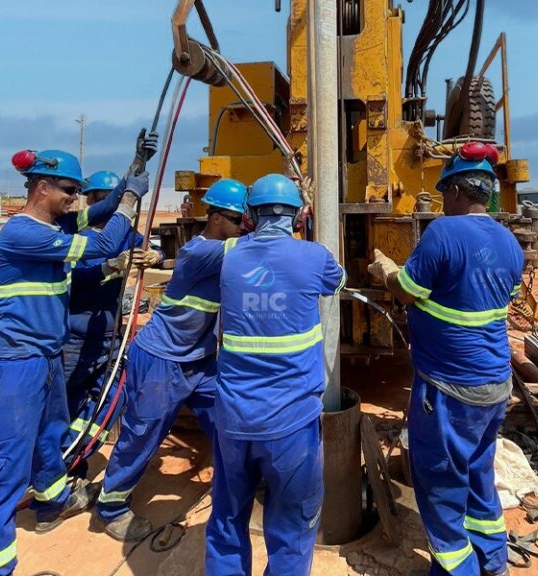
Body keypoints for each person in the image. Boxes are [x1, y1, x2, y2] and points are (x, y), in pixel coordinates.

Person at [0, 148, 150, 576]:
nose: (76, 199)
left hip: (46, 356)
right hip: (13, 364)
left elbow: (100, 211)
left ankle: (52, 501)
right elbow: (107, 239)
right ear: (42, 187)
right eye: (69, 191)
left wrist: (130, 177)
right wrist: (130, 201)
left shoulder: (57, 220)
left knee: (49, 438)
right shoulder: (24, 233)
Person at [368, 142, 522, 576]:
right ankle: (493, 562)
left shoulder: (442, 232)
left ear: (454, 192)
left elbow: (407, 293)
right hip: (494, 385)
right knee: (478, 473)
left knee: (439, 482)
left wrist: (388, 272)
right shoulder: (509, 242)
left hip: (449, 387)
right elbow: (493, 296)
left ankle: (456, 569)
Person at [207, 174, 346, 576]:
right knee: (291, 524)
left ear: (250, 215)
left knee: (228, 517)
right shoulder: (315, 257)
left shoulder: (228, 254)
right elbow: (338, 282)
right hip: (291, 425)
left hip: (233, 420)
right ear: (299, 216)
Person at [95, 179, 248, 542]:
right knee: (143, 433)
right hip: (161, 358)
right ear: (216, 219)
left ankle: (241, 483)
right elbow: (256, 246)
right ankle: (111, 506)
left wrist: (161, 257)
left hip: (199, 360)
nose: (245, 227)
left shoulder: (207, 252)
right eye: (240, 220)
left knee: (228, 419)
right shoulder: (206, 251)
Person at [61, 170, 164, 480]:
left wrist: (153, 256)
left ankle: (73, 454)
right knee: (66, 405)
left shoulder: (124, 235)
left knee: (112, 399)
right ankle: (61, 465)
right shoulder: (75, 238)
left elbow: (152, 249)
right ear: (92, 201)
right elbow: (73, 284)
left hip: (111, 338)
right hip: (75, 339)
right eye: (101, 199)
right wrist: (111, 266)